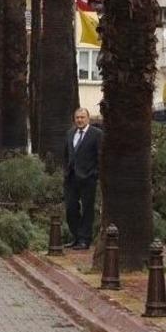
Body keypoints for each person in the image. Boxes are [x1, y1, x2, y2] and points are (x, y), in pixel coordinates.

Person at [63, 107, 103, 250]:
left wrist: (95, 173)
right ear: (74, 119)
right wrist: (65, 171)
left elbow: (100, 156)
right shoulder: (70, 133)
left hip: (88, 178)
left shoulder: (96, 134)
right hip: (71, 177)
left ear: (88, 119)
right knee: (71, 208)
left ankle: (85, 239)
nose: (79, 120)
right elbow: (67, 154)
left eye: (82, 117)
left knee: (87, 209)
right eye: (77, 117)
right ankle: (76, 237)